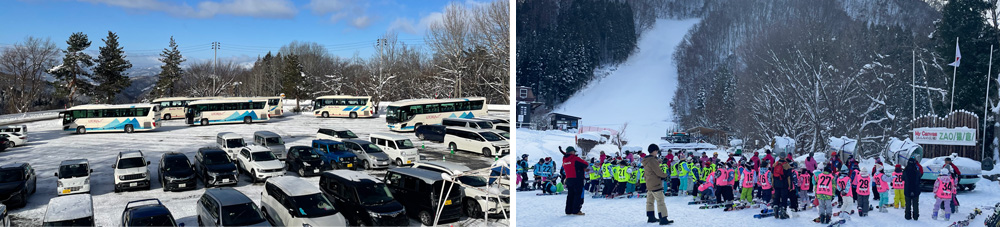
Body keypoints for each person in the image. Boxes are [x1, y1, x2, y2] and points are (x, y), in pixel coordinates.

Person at [642, 144, 673, 225]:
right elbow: (658, 171)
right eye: (656, 151)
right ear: (654, 151)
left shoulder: (646, 160)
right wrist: (665, 175)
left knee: (650, 202)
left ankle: (650, 217)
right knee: (660, 201)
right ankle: (663, 218)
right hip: (655, 183)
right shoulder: (652, 160)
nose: (657, 153)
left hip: (649, 183)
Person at [560, 146, 588, 215]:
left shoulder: (564, 159)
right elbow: (585, 164)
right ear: (572, 152)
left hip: (568, 179)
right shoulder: (575, 158)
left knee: (570, 195)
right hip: (577, 179)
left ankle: (568, 210)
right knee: (578, 195)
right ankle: (576, 210)